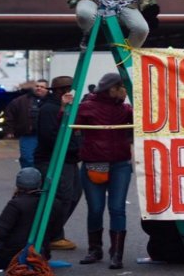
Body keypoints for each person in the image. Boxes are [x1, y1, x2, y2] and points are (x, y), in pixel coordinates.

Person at [61, 73, 133, 269]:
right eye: (124, 87)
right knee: (95, 209)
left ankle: (116, 253)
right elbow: (65, 125)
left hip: (120, 164)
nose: (127, 91)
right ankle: (95, 250)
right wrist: (65, 106)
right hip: (94, 162)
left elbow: (149, 120)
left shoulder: (126, 108)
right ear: (113, 89)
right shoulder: (87, 106)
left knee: (118, 209)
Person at [0, 168, 63, 269]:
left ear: (18, 185)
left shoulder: (16, 204)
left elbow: (0, 233)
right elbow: (56, 232)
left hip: (12, 255)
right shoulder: (54, 202)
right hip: (41, 254)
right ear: (39, 183)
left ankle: (2, 263)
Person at [34, 75, 82, 251]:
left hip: (68, 158)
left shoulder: (65, 107)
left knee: (73, 194)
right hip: (54, 159)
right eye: (69, 89)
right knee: (62, 197)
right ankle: (52, 235)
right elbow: (50, 137)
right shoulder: (49, 109)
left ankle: (53, 233)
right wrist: (74, 149)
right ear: (61, 91)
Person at [4, 80, 49, 169]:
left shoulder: (53, 101)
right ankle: (29, 178)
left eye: (42, 87)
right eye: (37, 86)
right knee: (27, 157)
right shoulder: (21, 101)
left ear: (47, 89)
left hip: (47, 136)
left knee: (46, 158)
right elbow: (10, 115)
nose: (39, 88)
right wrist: (9, 130)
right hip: (28, 134)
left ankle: (43, 177)